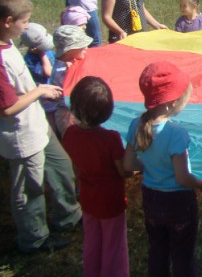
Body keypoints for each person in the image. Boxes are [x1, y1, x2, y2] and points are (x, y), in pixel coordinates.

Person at [0, 0, 81, 253]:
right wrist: (40, 91)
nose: (27, 27)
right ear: (8, 21)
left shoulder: (7, 42)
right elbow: (8, 108)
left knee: (62, 166)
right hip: (21, 134)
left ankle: (68, 216)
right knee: (29, 189)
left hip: (37, 125)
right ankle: (34, 239)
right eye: (24, 22)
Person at [123, 61, 202, 277]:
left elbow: (129, 164)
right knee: (182, 255)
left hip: (151, 199)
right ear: (173, 101)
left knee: (157, 249)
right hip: (178, 204)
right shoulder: (176, 133)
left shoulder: (135, 124)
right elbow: (182, 178)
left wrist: (149, 166)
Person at [62, 76, 132, 277]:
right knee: (114, 244)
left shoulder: (70, 134)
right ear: (107, 110)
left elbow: (77, 163)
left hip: (87, 197)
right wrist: (136, 166)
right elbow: (123, 171)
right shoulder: (110, 138)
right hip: (111, 201)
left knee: (92, 240)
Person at [49, 25, 93, 138]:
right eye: (82, 46)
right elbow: (67, 97)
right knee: (74, 140)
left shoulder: (71, 61)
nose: (86, 48)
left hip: (75, 111)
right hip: (68, 116)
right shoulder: (63, 71)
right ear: (70, 51)